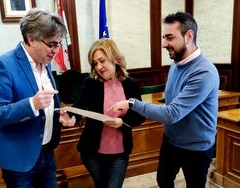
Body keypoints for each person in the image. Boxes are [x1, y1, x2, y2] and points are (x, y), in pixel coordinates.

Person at [110, 12, 220, 188]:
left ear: (189, 36)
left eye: (169, 37)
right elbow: (174, 99)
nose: (163, 44)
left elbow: (172, 113)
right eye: (163, 37)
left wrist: (132, 103)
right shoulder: (176, 63)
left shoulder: (204, 72)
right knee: (163, 180)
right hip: (171, 140)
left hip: (196, 148)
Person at [0, 8, 67, 187]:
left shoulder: (45, 64)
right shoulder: (3, 65)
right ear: (31, 39)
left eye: (59, 44)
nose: (56, 50)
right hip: (19, 159)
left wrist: (59, 115)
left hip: (46, 152)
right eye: (52, 44)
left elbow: (47, 105)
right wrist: (32, 104)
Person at [59, 38, 146, 188]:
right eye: (94, 63)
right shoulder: (90, 83)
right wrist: (70, 119)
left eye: (102, 61)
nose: (99, 67)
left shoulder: (131, 84)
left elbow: (140, 115)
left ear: (114, 58)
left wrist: (122, 122)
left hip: (120, 151)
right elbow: (78, 108)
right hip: (93, 151)